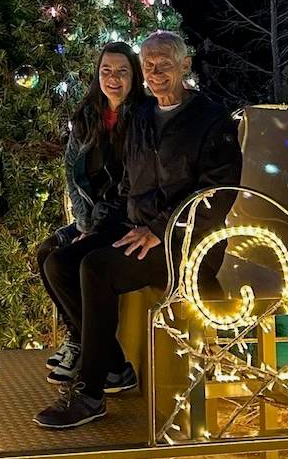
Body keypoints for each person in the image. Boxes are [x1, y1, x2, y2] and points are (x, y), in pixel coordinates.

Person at [35, 30, 242, 430]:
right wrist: (97, 230)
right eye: (149, 65)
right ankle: (114, 366)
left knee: (97, 268)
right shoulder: (143, 116)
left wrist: (160, 228)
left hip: (188, 244)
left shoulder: (211, 118)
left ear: (185, 65)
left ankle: (90, 393)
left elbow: (218, 193)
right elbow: (128, 186)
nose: (156, 73)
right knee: (61, 261)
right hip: (138, 229)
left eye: (165, 64)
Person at [37, 41, 146, 387]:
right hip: (94, 218)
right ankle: (81, 341)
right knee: (46, 251)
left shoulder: (142, 118)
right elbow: (73, 173)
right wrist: (83, 225)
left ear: (135, 76)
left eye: (122, 71)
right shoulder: (87, 116)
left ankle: (109, 363)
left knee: (62, 264)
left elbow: (131, 188)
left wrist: (94, 231)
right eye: (106, 71)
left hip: (123, 220)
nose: (113, 79)